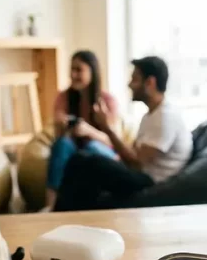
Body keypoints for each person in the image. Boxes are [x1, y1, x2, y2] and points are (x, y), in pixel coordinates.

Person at [54, 56, 192, 211]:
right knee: (83, 166)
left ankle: (56, 216)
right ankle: (69, 218)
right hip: (142, 173)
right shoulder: (151, 116)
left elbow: (136, 162)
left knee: (83, 161)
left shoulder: (165, 117)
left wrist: (106, 128)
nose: (129, 85)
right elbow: (133, 155)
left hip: (151, 181)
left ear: (150, 83)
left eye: (134, 79)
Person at [42, 50, 122, 211]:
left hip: (103, 152)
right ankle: (51, 206)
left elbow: (115, 142)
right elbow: (59, 140)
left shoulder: (107, 100)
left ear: (92, 71)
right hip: (74, 150)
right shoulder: (64, 97)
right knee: (62, 144)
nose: (73, 74)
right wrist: (61, 126)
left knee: (91, 149)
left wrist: (89, 131)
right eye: (71, 69)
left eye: (79, 70)